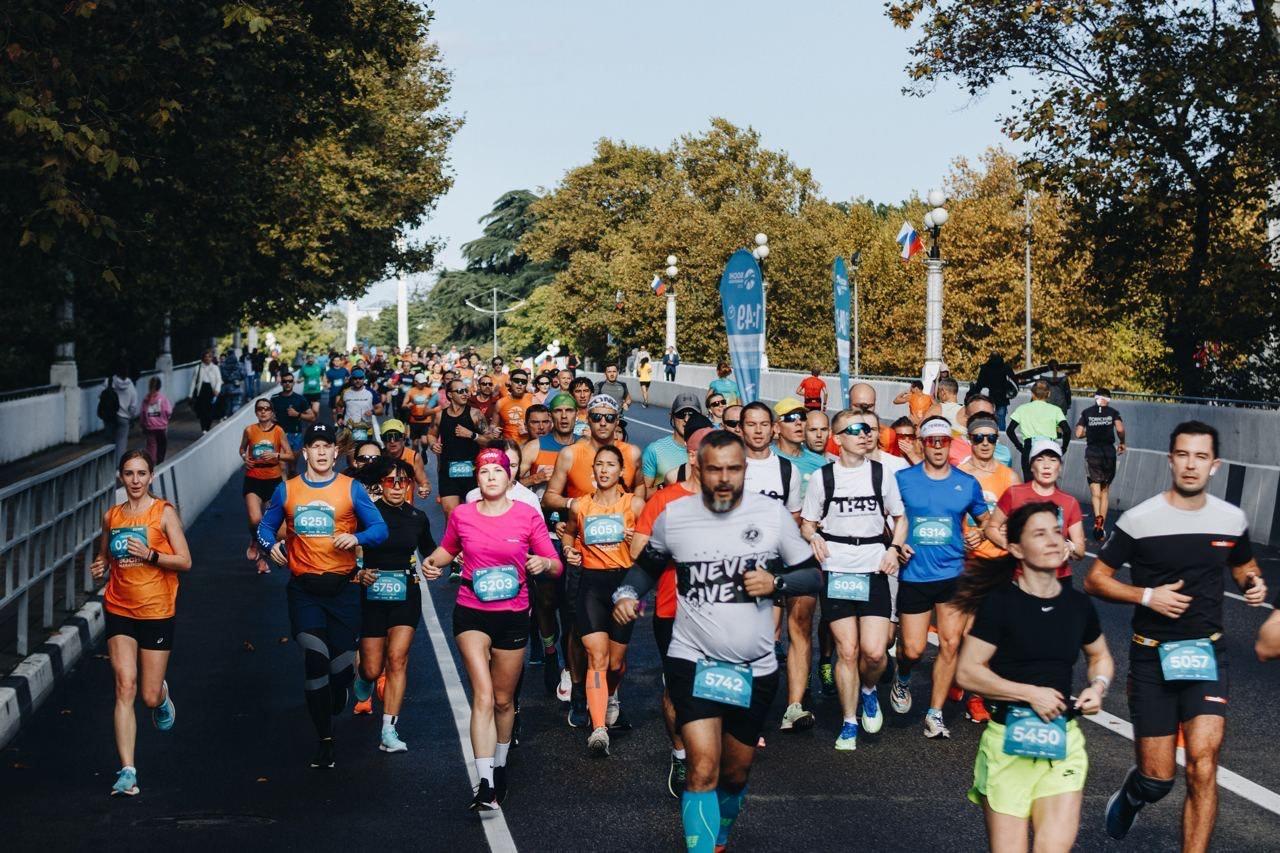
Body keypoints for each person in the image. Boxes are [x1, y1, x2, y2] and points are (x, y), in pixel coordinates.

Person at [612, 430, 822, 853]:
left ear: (745, 469)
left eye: (733, 468)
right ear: (699, 469)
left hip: (755, 666)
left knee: (735, 773)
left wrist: (777, 581)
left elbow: (813, 574)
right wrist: (627, 593)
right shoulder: (677, 516)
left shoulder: (771, 515)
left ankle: (720, 835)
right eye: (715, 469)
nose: (724, 478)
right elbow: (646, 567)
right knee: (702, 769)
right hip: (693, 659)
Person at [1085, 421, 1268, 852]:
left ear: (1214, 465)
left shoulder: (1230, 519)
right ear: (1170, 460)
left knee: (1204, 766)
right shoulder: (1140, 520)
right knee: (1158, 779)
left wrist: (1253, 584)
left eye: (1200, 457)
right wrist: (1146, 595)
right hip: (1151, 658)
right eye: (1183, 455)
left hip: (1207, 654)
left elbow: (1244, 567)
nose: (1191, 465)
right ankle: (1134, 793)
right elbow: (1095, 579)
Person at [955, 503, 1114, 853]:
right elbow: (968, 671)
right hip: (1007, 741)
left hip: (1062, 742)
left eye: (1057, 532)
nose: (1054, 540)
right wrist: (1029, 693)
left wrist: (1098, 687)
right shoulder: (1000, 603)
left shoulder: (1077, 606)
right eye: (1039, 534)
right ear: (1015, 549)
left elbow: (1100, 656)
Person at [422, 448, 561, 810]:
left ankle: (499, 764)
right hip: (471, 614)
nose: (492, 477)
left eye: (498, 470)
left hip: (513, 616)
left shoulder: (528, 516)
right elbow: (446, 551)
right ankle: (484, 782)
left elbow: (556, 565)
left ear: (508, 476)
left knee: (503, 701)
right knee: (483, 695)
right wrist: (432, 564)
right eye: (485, 472)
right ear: (478, 479)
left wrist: (542, 562)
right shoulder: (463, 515)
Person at [257, 423, 389, 769]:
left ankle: (340, 690)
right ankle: (325, 741)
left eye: (326, 446)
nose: (320, 452)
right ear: (305, 453)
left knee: (340, 671)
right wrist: (270, 546)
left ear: (335, 452)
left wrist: (357, 539)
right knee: (315, 659)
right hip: (305, 591)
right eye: (313, 446)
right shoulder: (287, 491)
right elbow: (265, 528)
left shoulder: (352, 489)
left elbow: (380, 529)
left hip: (343, 590)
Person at [90, 450, 193, 797]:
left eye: (141, 473)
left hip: (157, 610)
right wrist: (100, 565)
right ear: (121, 477)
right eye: (129, 474)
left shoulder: (163, 513)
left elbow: (185, 561)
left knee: (147, 696)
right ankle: (128, 772)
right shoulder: (112, 516)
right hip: (119, 607)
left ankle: (162, 696)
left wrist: (150, 554)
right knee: (125, 685)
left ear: (151, 476)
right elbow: (105, 554)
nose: (135, 480)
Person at [801, 410, 904, 750]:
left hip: (874, 565)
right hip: (838, 568)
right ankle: (848, 722)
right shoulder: (823, 478)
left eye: (868, 430)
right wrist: (813, 537)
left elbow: (899, 518)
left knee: (874, 653)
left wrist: (894, 549)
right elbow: (808, 521)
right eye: (855, 430)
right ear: (838, 437)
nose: (864, 435)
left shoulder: (881, 475)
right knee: (847, 650)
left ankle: (870, 690)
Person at [543, 394, 643, 726]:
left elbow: (643, 493)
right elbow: (550, 497)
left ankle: (611, 697)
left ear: (618, 421)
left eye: (609, 417)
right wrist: (581, 509)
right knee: (575, 625)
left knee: (616, 647)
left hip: (622, 563)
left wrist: (633, 524)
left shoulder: (631, 454)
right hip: (584, 554)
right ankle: (578, 693)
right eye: (597, 417)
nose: (602, 422)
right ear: (589, 418)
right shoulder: (572, 453)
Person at [892, 416, 991, 739]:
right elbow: (887, 517)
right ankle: (903, 676)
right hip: (915, 574)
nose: (937, 447)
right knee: (913, 649)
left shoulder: (966, 483)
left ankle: (934, 714)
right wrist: (895, 545)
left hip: (953, 574)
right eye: (931, 441)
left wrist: (981, 534)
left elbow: (986, 520)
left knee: (950, 644)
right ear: (922, 443)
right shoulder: (903, 479)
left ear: (951, 444)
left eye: (943, 441)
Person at [631, 424, 713, 797]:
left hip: (723, 612)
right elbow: (637, 553)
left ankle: (711, 751)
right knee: (679, 687)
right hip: (673, 609)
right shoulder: (664, 500)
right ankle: (681, 754)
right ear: (693, 458)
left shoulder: (737, 500)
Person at [560, 445, 646, 756]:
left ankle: (612, 696)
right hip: (591, 585)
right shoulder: (580, 505)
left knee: (616, 662)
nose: (604, 469)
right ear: (592, 471)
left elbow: (650, 547)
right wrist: (569, 549)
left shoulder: (634, 504)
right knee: (596, 656)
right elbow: (569, 534)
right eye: (599, 464)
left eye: (611, 464)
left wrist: (634, 540)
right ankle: (599, 730)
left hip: (624, 586)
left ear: (622, 471)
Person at [350, 458, 436, 753]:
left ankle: (389, 730)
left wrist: (441, 564)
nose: (398, 487)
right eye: (391, 481)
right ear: (380, 485)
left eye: (403, 481)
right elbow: (346, 548)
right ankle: (363, 679)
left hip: (406, 594)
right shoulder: (368, 516)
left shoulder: (417, 517)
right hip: (373, 595)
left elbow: (430, 551)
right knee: (373, 669)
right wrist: (357, 573)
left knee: (397, 659)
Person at [958, 414, 1019, 723]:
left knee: (995, 631)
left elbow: (1018, 519)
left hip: (1002, 560)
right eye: (979, 437)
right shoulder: (961, 474)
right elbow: (951, 515)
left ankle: (978, 695)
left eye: (991, 438)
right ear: (970, 439)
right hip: (971, 560)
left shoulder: (1009, 477)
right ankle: (964, 675)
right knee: (967, 631)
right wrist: (961, 537)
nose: (985, 443)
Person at [983, 439, 1084, 583]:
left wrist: (1070, 547)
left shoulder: (1070, 502)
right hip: (1019, 578)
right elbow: (991, 528)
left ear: (1060, 467)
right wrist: (1009, 545)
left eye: (1053, 460)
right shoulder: (1014, 493)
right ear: (1031, 466)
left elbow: (1080, 550)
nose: (1047, 466)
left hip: (1058, 580)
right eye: (1040, 459)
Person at [240, 398, 293, 574]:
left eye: (267, 409)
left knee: (278, 529)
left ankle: (262, 555)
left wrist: (276, 455)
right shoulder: (249, 430)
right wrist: (244, 457)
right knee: (255, 520)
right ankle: (255, 541)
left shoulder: (278, 431)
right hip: (253, 479)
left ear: (272, 412)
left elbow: (290, 455)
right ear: (256, 412)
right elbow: (241, 449)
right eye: (260, 409)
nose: (263, 411)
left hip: (273, 480)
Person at [428, 379, 493, 519]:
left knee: (473, 516)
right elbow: (431, 435)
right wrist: (433, 445)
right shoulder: (440, 415)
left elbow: (489, 441)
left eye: (466, 391)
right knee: (450, 514)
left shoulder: (475, 414)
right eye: (460, 391)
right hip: (448, 471)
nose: (465, 394)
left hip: (472, 472)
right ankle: (450, 542)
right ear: (450, 395)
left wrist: (472, 435)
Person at [1075, 388, 1126, 541]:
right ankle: (1101, 526)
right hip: (1108, 454)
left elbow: (1078, 433)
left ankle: (1097, 517)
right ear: (1108, 399)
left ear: (1095, 398)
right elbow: (1120, 429)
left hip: (1092, 454)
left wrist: (1089, 431)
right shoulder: (1113, 412)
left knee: (1095, 493)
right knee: (1105, 491)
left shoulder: (1087, 412)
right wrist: (1122, 442)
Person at [1007, 380, 1069, 481]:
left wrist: (1020, 447)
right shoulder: (1056, 410)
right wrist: (1064, 448)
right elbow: (1067, 431)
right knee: (1047, 485)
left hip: (1029, 447)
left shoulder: (1022, 409)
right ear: (1049, 394)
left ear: (1032, 394)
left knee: (1029, 485)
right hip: (1049, 449)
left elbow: (1010, 430)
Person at [642, 393, 701, 491]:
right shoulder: (654, 450)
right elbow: (644, 493)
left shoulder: (708, 450)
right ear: (672, 416)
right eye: (681, 414)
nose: (686, 419)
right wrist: (664, 487)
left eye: (692, 415)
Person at [772, 397, 827, 500]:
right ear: (777, 428)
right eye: (790, 417)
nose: (798, 422)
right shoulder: (766, 457)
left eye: (802, 417)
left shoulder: (820, 462)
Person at [270, 372, 316, 473]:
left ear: (293, 382)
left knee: (292, 467)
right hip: (279, 435)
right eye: (285, 381)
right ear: (281, 383)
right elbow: (269, 414)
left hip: (295, 435)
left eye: (290, 381)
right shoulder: (274, 398)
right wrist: (271, 418)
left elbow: (312, 417)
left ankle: (291, 487)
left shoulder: (300, 399)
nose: (287, 383)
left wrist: (298, 414)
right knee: (282, 466)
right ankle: (284, 488)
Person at [378, 419, 430, 500]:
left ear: (404, 438)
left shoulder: (414, 457)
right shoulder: (377, 457)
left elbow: (424, 482)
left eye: (396, 436)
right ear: (382, 439)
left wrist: (425, 489)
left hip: (406, 507)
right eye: (388, 437)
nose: (392, 441)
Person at [973, 353, 1019, 430]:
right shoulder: (1006, 368)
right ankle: (1001, 437)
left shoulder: (985, 368)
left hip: (988, 398)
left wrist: (976, 395)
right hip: (1002, 399)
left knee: (987, 420)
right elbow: (1013, 382)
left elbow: (980, 384)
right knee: (1001, 421)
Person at [109, 365, 139, 465]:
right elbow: (133, 405)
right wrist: (131, 417)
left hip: (110, 417)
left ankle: (108, 464)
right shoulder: (131, 386)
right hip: (124, 418)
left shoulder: (109, 381)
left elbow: (101, 395)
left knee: (110, 442)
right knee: (121, 442)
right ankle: (118, 465)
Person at [140, 376, 172, 465]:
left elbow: (142, 413)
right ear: (159, 386)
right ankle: (160, 462)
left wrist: (143, 425)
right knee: (162, 445)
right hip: (161, 427)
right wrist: (165, 419)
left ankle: (151, 461)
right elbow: (168, 411)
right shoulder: (163, 398)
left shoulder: (145, 399)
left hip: (149, 427)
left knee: (151, 446)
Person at [494, 367, 533, 441]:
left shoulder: (533, 399)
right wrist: (494, 430)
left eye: (523, 381)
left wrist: (529, 431)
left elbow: (543, 427)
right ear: (510, 382)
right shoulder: (500, 403)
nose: (520, 384)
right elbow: (493, 425)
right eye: (516, 380)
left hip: (528, 446)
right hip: (508, 447)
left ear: (526, 384)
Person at [219, 350, 245, 415]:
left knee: (228, 405)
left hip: (227, 388)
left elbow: (221, 376)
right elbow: (243, 375)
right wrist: (238, 379)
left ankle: (228, 417)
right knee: (236, 404)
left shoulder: (222, 365)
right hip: (237, 387)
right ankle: (235, 418)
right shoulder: (239, 364)